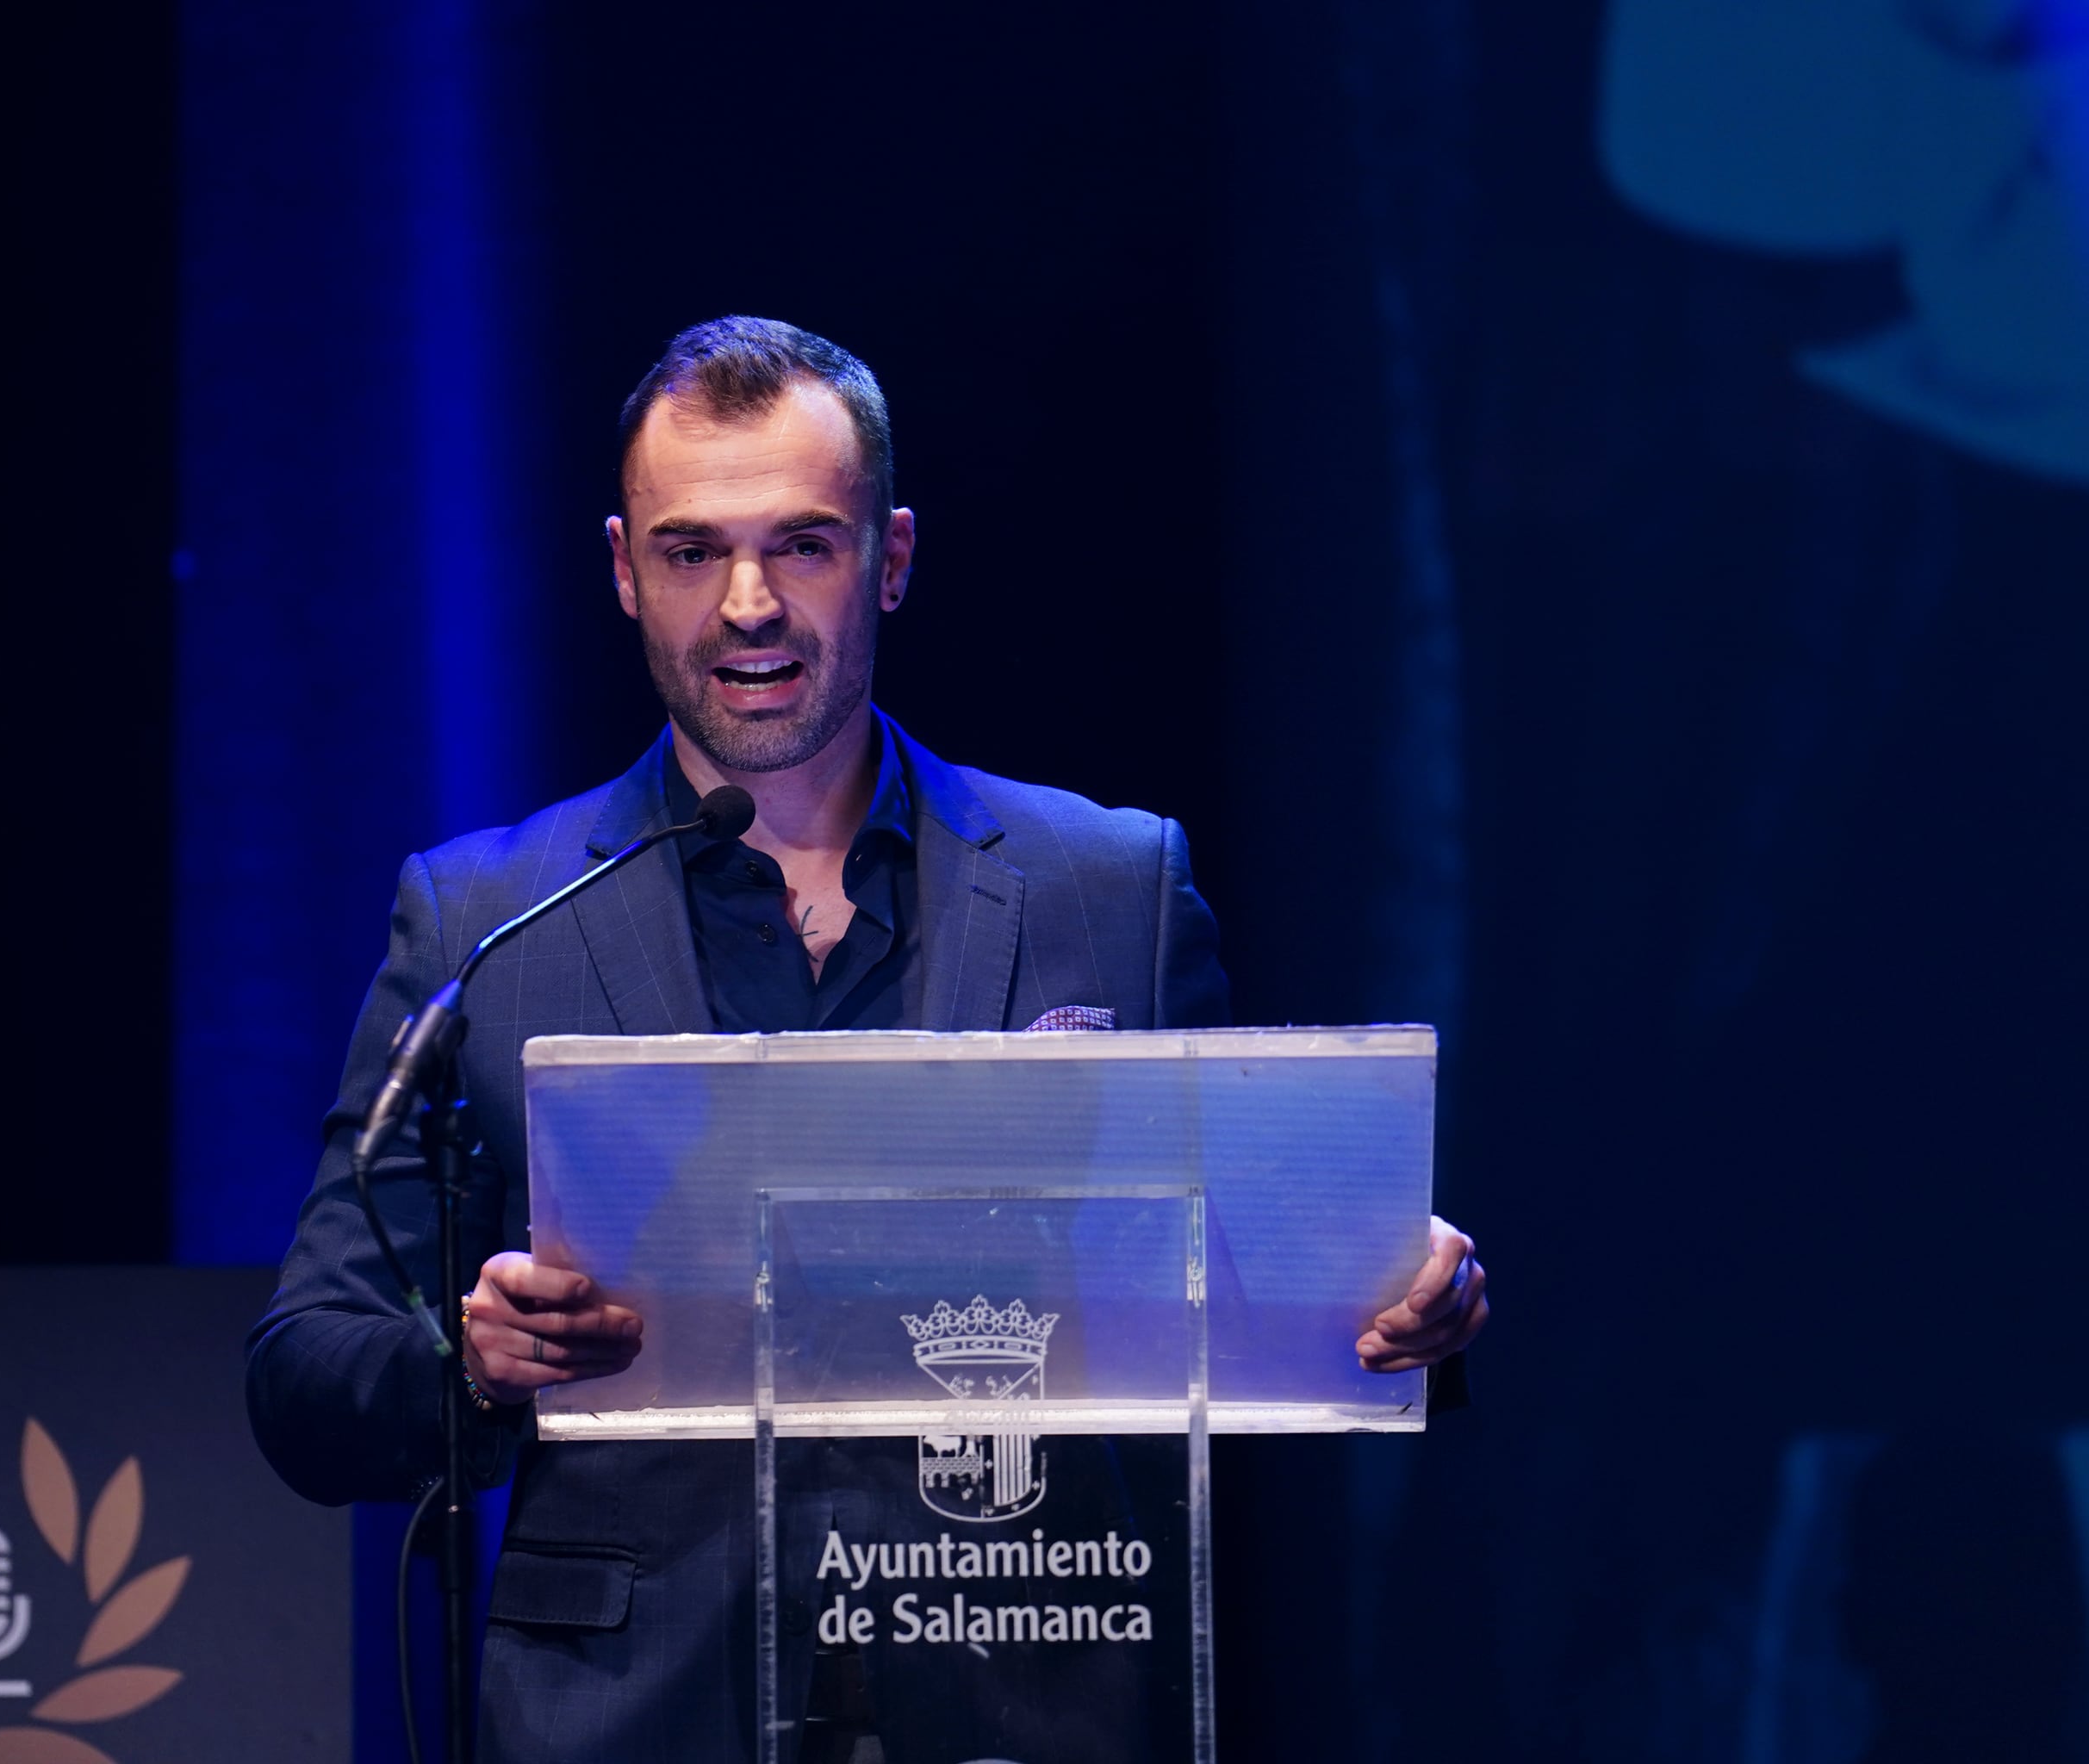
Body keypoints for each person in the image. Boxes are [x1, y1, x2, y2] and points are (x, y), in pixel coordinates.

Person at [246, 316, 1490, 1760]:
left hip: (1025, 1696)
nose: (750, 604)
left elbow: (1253, 1287)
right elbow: (304, 1375)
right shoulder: (486, 917)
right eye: (693, 550)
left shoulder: (1113, 887)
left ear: (891, 559)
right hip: (640, 1717)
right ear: (622, 571)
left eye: (807, 545)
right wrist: (475, 1367)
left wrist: (1405, 1308)